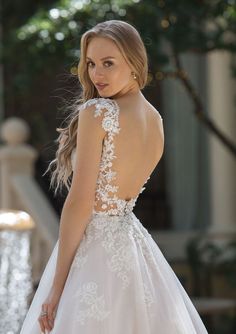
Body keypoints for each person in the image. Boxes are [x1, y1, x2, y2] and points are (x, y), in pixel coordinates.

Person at [20, 20, 208, 334]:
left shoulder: (97, 112)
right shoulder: (155, 120)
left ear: (135, 64)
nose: (97, 74)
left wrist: (56, 288)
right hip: (134, 247)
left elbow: (80, 203)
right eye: (92, 63)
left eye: (109, 63)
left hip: (96, 252)